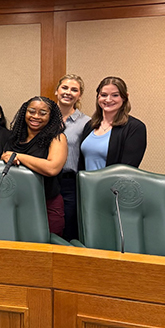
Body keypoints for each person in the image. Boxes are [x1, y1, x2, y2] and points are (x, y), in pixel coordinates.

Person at [3, 97, 67, 237]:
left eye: (43, 113)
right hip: (17, 204)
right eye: (31, 111)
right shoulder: (14, 138)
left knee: (46, 252)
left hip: (47, 204)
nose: (36, 116)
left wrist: (18, 156)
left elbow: (52, 168)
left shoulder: (57, 138)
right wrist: (5, 157)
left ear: (51, 117)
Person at [80, 76, 147, 170]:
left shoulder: (135, 128)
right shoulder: (90, 125)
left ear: (124, 97)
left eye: (115, 95)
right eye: (104, 95)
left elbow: (127, 169)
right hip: (86, 184)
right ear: (98, 97)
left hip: (113, 184)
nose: (108, 99)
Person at [54, 74, 89, 241]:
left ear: (80, 95)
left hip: (70, 184)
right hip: (45, 180)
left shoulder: (87, 123)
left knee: (69, 229)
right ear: (57, 91)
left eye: (74, 90)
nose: (68, 92)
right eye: (65, 88)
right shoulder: (44, 118)